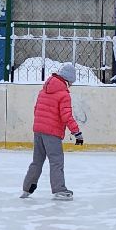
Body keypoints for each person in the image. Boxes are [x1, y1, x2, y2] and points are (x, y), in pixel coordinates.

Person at [21, 63, 83, 200]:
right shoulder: (63, 94)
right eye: (71, 82)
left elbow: (36, 110)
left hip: (38, 130)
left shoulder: (43, 91)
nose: (71, 85)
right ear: (68, 80)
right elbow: (66, 116)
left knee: (37, 161)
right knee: (56, 161)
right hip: (52, 133)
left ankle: (27, 188)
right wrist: (77, 132)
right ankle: (59, 190)